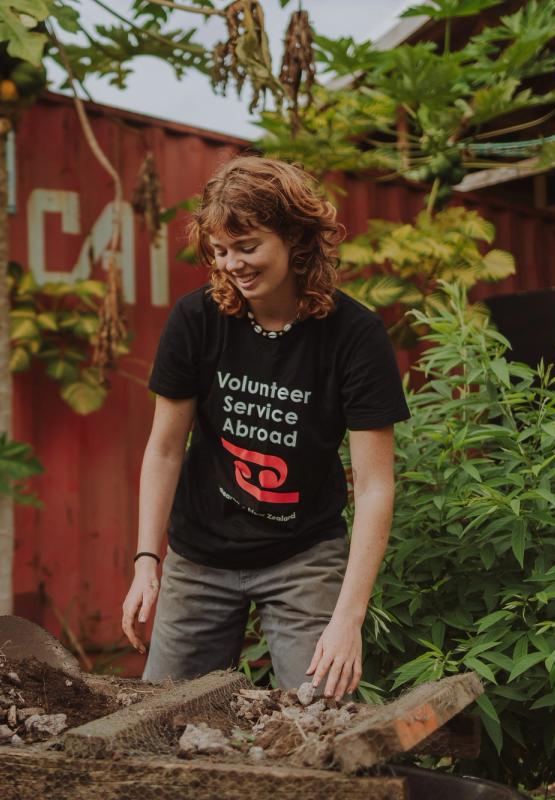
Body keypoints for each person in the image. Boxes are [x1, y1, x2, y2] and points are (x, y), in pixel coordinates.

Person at [121, 156, 408, 701]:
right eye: (221, 251)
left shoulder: (355, 335)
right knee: (157, 723)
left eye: (248, 247)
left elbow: (374, 487)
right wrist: (145, 561)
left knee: (319, 721)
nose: (233, 265)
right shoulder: (197, 320)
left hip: (303, 557)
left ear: (297, 239)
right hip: (200, 556)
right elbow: (163, 450)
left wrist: (348, 618)